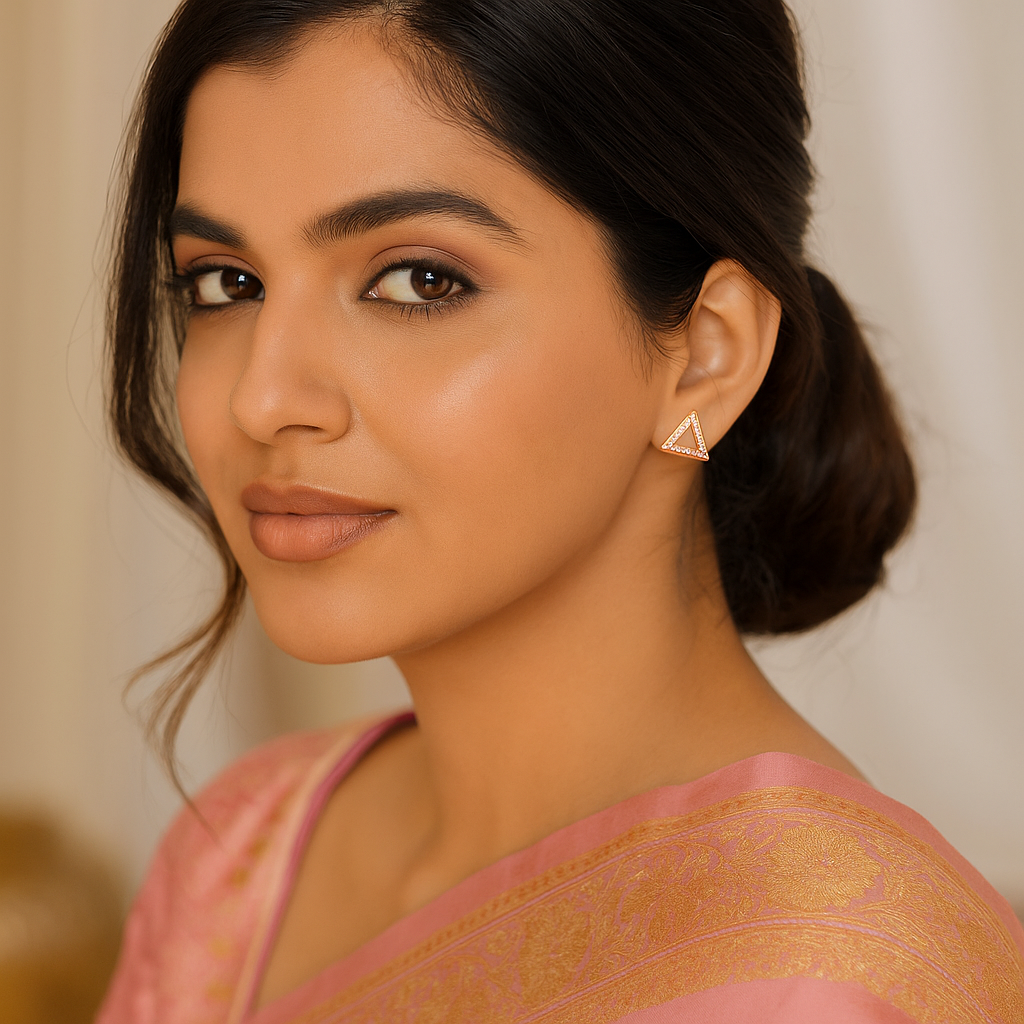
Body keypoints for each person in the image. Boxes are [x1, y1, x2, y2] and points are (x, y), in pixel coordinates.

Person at [96, 1, 1024, 1021]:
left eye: (418, 279)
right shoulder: (245, 853)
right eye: (226, 283)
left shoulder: (829, 984)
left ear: (704, 354)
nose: (261, 399)